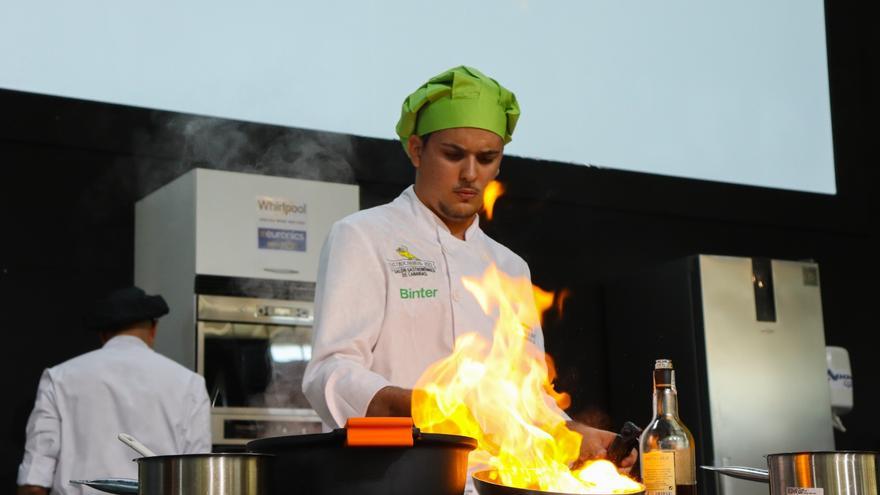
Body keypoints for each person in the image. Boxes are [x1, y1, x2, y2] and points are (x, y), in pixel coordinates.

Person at [302, 66, 635, 468]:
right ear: (416, 150)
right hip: (391, 476)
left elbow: (527, 401)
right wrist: (425, 407)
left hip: (495, 483)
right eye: (453, 154)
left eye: (486, 158)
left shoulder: (510, 267)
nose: (470, 174)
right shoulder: (364, 237)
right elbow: (330, 371)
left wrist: (575, 437)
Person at [17, 287, 211, 495]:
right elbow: (198, 480)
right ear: (154, 329)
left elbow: (34, 481)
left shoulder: (59, 378)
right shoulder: (190, 384)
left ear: (103, 334)